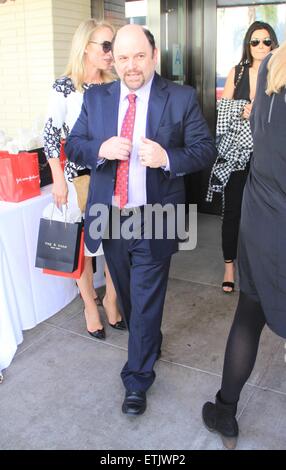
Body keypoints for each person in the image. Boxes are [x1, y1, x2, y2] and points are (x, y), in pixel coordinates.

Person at [66, 24, 216, 415]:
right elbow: (73, 146)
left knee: (148, 295)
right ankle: (147, 339)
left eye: (139, 56)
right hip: (111, 214)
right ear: (112, 60)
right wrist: (101, 147)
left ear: (153, 55)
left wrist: (167, 158)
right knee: (131, 297)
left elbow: (204, 149)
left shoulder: (179, 97)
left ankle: (137, 378)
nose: (131, 66)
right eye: (123, 57)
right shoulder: (97, 99)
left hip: (158, 214)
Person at [202, 41, 286, 449]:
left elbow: (258, 134)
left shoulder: (273, 63)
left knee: (249, 312)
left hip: (263, 218)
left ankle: (225, 409)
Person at [43, 19, 126, 340]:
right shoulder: (65, 86)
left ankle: (112, 298)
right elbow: (50, 135)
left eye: (113, 45)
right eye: (106, 46)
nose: (111, 52)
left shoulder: (116, 84)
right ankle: (91, 304)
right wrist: (58, 180)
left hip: (114, 174)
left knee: (117, 241)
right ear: (85, 48)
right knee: (85, 248)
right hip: (77, 177)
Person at [206, 21, 278, 293]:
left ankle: (258, 268)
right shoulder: (236, 73)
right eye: (255, 41)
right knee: (233, 210)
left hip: (267, 156)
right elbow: (222, 114)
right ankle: (229, 266)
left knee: (264, 214)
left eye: (266, 41)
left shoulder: (279, 74)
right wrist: (244, 110)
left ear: (274, 44)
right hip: (237, 155)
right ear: (248, 45)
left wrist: (257, 112)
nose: (261, 46)